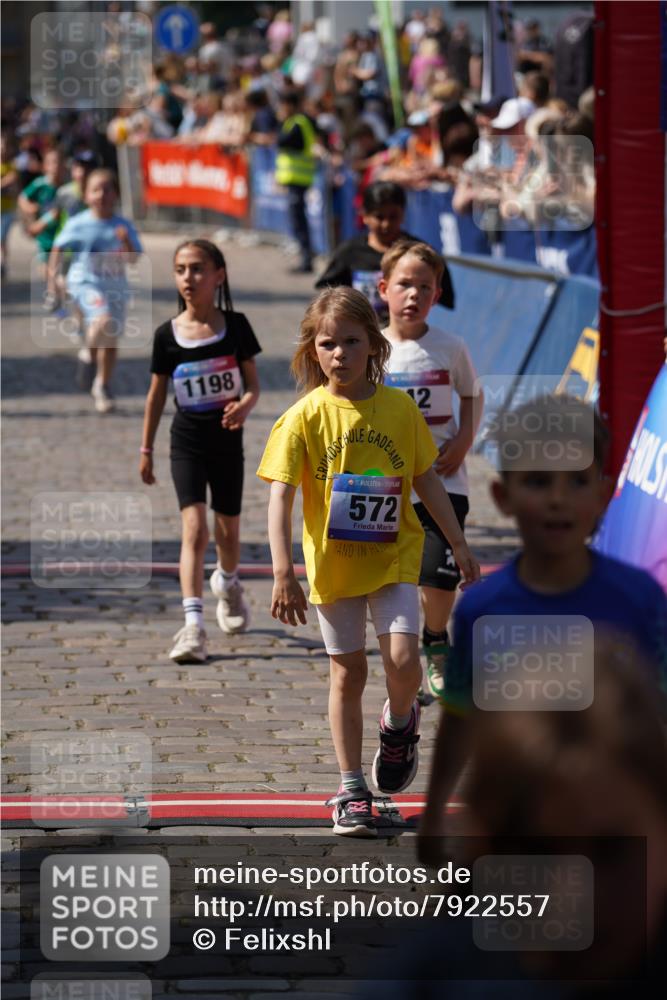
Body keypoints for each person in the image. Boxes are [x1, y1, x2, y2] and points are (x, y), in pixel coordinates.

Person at [257, 287, 479, 837]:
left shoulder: (399, 408)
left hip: (393, 558)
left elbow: (427, 478)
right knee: (347, 673)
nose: (340, 354)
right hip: (333, 567)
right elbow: (280, 495)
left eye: (351, 342)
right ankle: (351, 787)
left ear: (373, 345)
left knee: (404, 662)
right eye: (328, 344)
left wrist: (457, 542)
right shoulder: (303, 418)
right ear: (313, 351)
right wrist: (284, 571)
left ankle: (399, 723)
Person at [418, 394, 667, 855]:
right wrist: (435, 816)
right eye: (537, 481)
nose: (558, 499)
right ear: (502, 496)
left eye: (576, 481)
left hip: (617, 837)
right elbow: (459, 720)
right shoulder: (483, 610)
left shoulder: (640, 601)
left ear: (602, 493)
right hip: (515, 835)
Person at [140, 240, 261, 663]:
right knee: (195, 529)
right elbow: (156, 397)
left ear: (218, 275)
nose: (188, 278)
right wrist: (146, 449)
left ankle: (228, 584)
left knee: (228, 532)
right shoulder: (166, 336)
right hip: (186, 441)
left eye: (197, 269)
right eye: (180, 270)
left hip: (227, 443)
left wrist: (246, 404)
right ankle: (193, 627)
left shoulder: (237, 326)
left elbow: (253, 384)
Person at [380, 241, 483, 702]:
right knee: (399, 579)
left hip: (444, 479)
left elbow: (472, 394)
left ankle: (436, 640)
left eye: (425, 286)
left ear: (437, 295)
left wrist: (463, 441)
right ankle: (401, 657)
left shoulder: (449, 347)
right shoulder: (371, 349)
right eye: (404, 284)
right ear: (384, 289)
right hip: (388, 487)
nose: (413, 294)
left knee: (440, 577)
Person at [47, 169, 143, 413]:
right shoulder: (79, 223)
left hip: (116, 286)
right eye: (95, 189)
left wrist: (126, 243)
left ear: (116, 194)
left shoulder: (123, 225)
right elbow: (58, 246)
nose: (101, 194)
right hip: (85, 282)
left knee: (110, 342)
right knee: (103, 320)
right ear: (86, 195)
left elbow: (133, 259)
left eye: (107, 189)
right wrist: (53, 279)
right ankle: (89, 356)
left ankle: (102, 385)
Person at [315, 180, 454, 324]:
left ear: (403, 213)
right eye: (379, 217)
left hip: (409, 334)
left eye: (393, 216)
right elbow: (325, 292)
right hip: (363, 337)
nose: (386, 224)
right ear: (364, 215)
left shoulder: (420, 254)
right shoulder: (350, 251)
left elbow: (444, 299)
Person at [275, 91, 318, 274]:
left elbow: (283, 142)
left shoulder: (298, 123)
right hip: (295, 179)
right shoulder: (293, 122)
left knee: (299, 221)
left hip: (299, 179)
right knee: (297, 220)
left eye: (283, 105)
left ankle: (307, 259)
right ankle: (305, 257)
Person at [17, 146, 66, 267]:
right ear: (45, 166)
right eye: (52, 162)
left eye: (59, 162)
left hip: (61, 234)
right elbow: (22, 198)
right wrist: (30, 208)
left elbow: (61, 212)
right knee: (46, 268)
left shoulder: (66, 188)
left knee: (59, 268)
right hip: (44, 235)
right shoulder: (40, 184)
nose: (56, 166)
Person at [0, 132, 18, 279]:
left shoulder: (12, 166)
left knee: (2, 237)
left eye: (5, 146)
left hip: (7, 209)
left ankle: (3, 263)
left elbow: (14, 186)